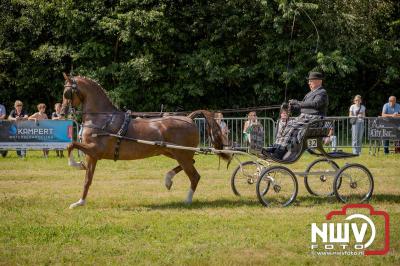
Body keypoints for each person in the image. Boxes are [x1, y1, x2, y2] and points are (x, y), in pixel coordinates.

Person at [262, 71, 329, 159]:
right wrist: (293, 107)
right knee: (285, 124)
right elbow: (303, 107)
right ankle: (276, 147)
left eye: (311, 81)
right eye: (309, 81)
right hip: (305, 118)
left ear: (319, 81)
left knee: (292, 125)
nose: (309, 83)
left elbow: (315, 104)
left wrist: (297, 102)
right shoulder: (309, 94)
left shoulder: (322, 92)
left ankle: (280, 152)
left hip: (315, 120)